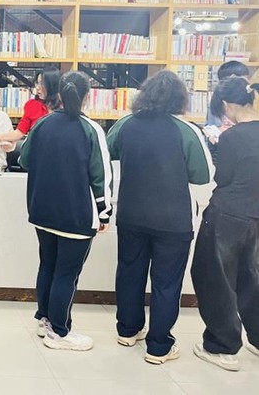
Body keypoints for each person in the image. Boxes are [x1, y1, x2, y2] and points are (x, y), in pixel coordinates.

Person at [106, 71, 213, 365]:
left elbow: (107, 150)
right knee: (167, 282)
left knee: (129, 272)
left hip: (131, 214)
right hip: (172, 220)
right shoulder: (186, 131)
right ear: (180, 99)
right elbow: (202, 174)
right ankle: (159, 346)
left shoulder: (125, 124)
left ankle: (127, 330)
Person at [19, 71, 112, 351]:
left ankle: (44, 319)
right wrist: (104, 213)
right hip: (76, 213)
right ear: (87, 97)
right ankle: (59, 332)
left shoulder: (43, 124)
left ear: (58, 93)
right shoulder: (90, 129)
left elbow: (24, 159)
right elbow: (101, 175)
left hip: (42, 209)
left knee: (47, 265)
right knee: (67, 273)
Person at [190, 77, 259, 372]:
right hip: (255, 215)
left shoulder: (231, 138)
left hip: (228, 215)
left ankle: (222, 346)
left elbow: (223, 178)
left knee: (214, 277)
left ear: (226, 105)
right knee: (251, 277)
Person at [0, 68, 60, 146]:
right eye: (37, 83)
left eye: (42, 84)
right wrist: (1, 137)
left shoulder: (65, 107)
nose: (37, 87)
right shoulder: (32, 105)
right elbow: (19, 132)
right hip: (38, 149)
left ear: (52, 85)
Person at [202, 61, 250, 154]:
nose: (247, 83)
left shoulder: (248, 97)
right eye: (244, 78)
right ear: (233, 78)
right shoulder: (218, 100)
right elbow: (211, 126)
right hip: (224, 145)